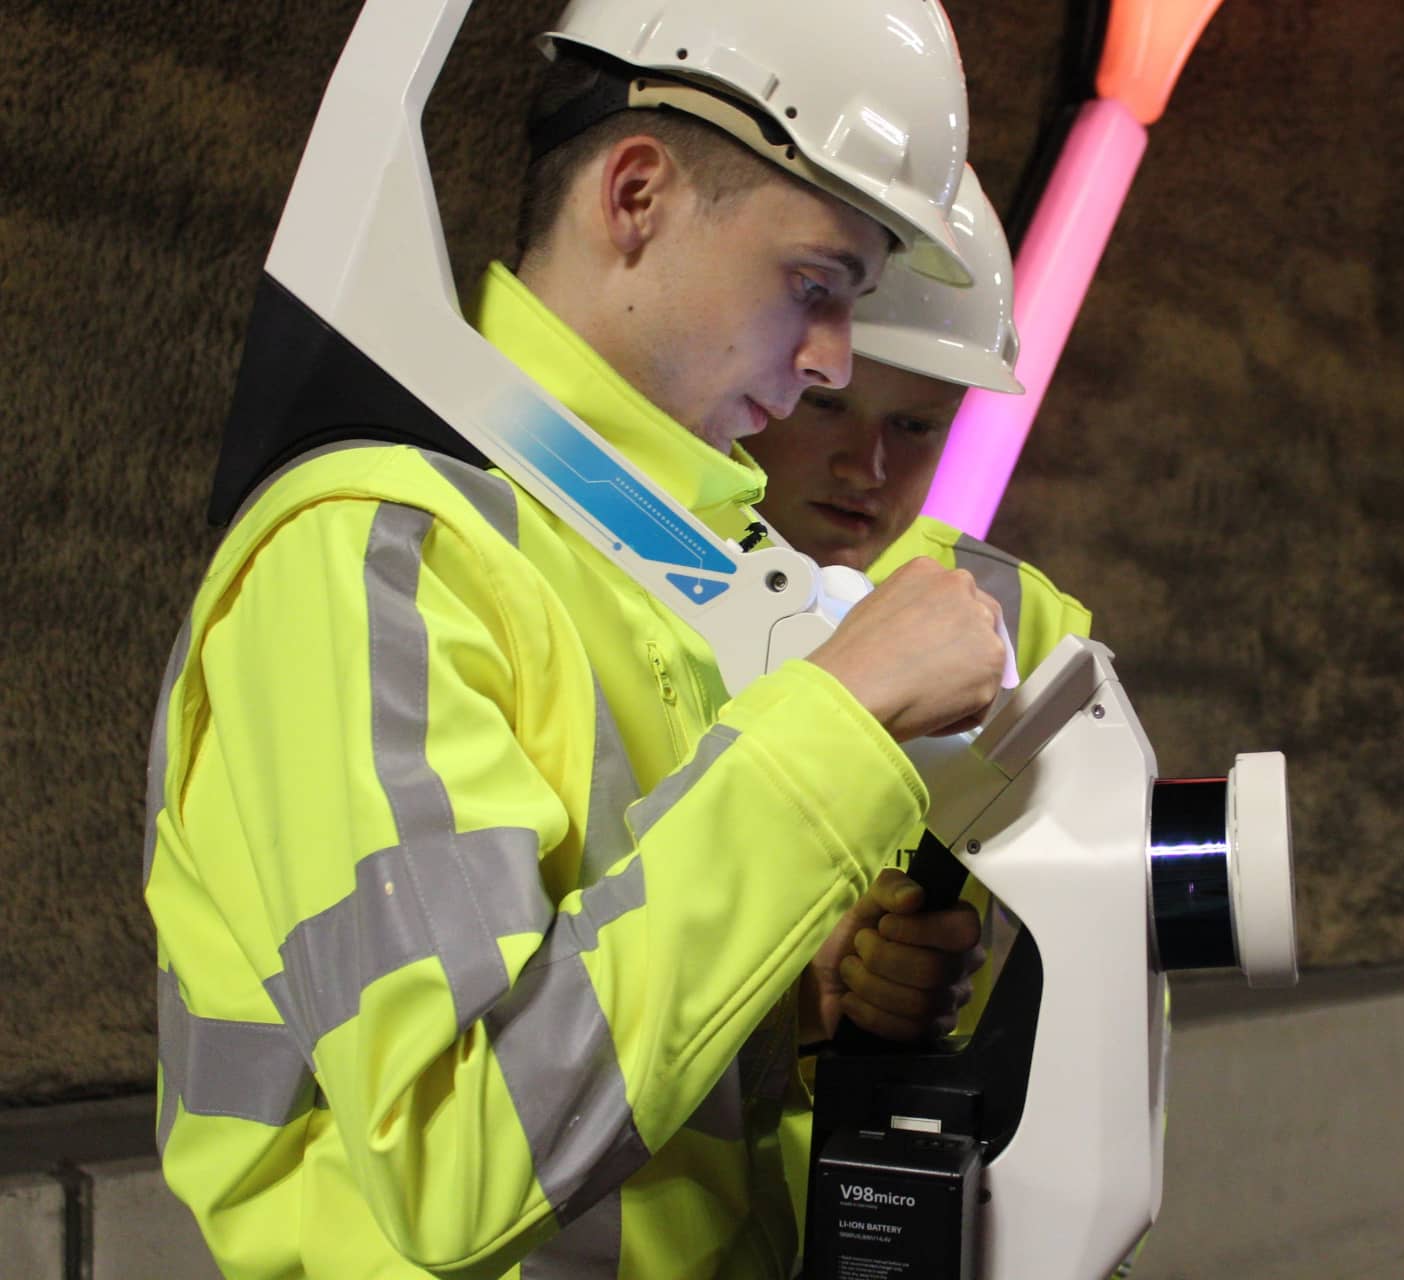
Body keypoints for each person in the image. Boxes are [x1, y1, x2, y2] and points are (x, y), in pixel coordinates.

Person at [142, 3, 1008, 1276]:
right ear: (637, 197)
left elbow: (606, 1024)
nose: (834, 360)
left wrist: (796, 1001)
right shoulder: (376, 553)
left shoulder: (643, 557)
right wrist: (836, 720)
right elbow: (460, 1151)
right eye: (815, 285)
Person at [745, 167, 1093, 1041]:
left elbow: (1106, 943)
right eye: (828, 408)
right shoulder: (650, 573)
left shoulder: (1025, 615)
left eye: (913, 427)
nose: (866, 467)